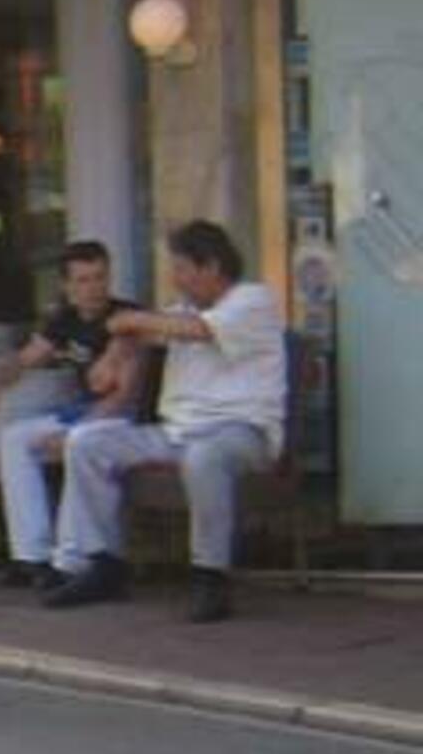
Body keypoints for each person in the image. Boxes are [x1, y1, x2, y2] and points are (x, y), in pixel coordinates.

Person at [42, 221, 284, 623]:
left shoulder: (252, 300)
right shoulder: (182, 309)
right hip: (176, 432)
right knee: (86, 442)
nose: (176, 278)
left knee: (204, 457)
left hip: (242, 432)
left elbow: (198, 331)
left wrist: (131, 323)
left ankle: (211, 575)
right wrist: (113, 356)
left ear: (211, 267)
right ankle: (106, 564)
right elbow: (142, 333)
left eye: (182, 268)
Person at [0, 239, 140, 589]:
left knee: (76, 442)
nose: (94, 288)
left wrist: (77, 428)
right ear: (67, 286)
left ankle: (69, 563)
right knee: (13, 438)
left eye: (100, 277)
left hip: (121, 418)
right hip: (80, 412)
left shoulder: (126, 319)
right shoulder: (65, 319)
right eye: (84, 280)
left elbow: (125, 396)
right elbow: (28, 357)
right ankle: (31, 557)